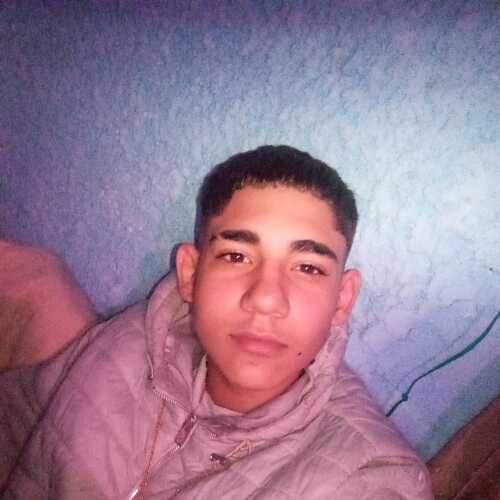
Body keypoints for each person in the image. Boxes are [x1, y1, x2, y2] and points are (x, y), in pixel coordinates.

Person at [0, 145, 432, 499]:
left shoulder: (370, 480)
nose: (265, 299)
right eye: (237, 256)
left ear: (343, 299)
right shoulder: (127, 339)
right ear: (190, 274)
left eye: (307, 267)